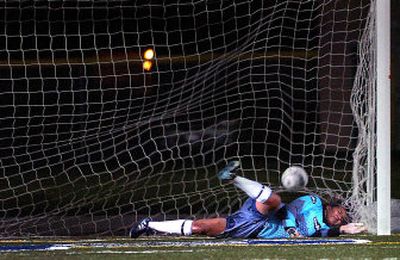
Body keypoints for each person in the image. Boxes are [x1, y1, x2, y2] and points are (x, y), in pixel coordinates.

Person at [130, 161, 367, 239]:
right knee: (274, 200)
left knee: (199, 227)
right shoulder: (313, 202)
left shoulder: (327, 230)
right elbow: (289, 211)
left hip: (247, 229)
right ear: (333, 205)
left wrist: (343, 230)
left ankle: (148, 224)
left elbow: (321, 235)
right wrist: (291, 227)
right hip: (264, 216)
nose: (339, 216)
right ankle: (233, 178)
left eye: (342, 218)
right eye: (339, 212)